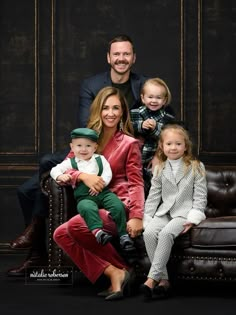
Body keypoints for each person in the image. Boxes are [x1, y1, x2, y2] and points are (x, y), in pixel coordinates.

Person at [7, 34, 148, 277]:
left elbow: (164, 118)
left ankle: (39, 244)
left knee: (41, 179)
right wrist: (80, 173)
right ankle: (37, 246)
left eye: (126, 54)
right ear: (109, 57)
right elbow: (87, 126)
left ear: (133, 58)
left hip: (121, 149)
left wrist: (153, 148)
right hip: (90, 146)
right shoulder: (92, 85)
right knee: (27, 188)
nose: (121, 58)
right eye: (117, 54)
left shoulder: (143, 86)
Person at [53, 86, 145, 301]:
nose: (110, 113)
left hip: (117, 205)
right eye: (105, 108)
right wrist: (82, 177)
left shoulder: (130, 144)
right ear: (98, 110)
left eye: (115, 108)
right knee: (60, 234)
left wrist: (137, 216)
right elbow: (67, 166)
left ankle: (120, 272)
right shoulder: (85, 139)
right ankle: (117, 271)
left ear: (122, 111)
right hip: (91, 204)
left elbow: (136, 183)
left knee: (75, 225)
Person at [140, 124, 207, 300]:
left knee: (166, 234)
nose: (173, 147)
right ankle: (164, 281)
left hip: (183, 214)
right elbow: (153, 197)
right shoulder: (160, 168)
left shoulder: (196, 167)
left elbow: (200, 197)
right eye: (169, 144)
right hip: (164, 213)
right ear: (162, 146)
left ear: (185, 146)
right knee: (149, 233)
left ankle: (151, 279)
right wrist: (147, 217)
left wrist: (193, 218)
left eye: (178, 144)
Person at [50, 127, 135, 251]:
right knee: (86, 208)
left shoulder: (100, 159)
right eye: (79, 145)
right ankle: (98, 232)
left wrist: (100, 185)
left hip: (103, 192)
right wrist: (61, 176)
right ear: (72, 147)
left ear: (95, 147)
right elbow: (54, 170)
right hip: (84, 197)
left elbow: (107, 174)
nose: (83, 149)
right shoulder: (70, 162)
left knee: (117, 205)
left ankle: (123, 235)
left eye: (88, 146)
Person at [130, 77, 175, 196]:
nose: (154, 101)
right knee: (135, 187)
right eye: (150, 97)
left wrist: (156, 128)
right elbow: (126, 129)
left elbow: (170, 138)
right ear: (143, 98)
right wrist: (141, 125)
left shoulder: (168, 118)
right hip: (135, 159)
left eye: (158, 97)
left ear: (164, 100)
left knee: (156, 186)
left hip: (156, 160)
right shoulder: (134, 113)